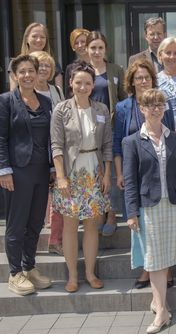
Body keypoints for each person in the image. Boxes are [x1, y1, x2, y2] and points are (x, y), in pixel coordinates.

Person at [123, 88, 176, 333]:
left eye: (159, 104)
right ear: (141, 109)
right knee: (153, 259)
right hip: (148, 207)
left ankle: (158, 303)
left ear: (165, 108)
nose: (155, 109)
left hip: (171, 206)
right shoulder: (131, 141)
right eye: (150, 105)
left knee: (161, 260)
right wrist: (131, 213)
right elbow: (130, 181)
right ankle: (162, 311)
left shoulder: (174, 138)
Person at [51, 60, 112, 293]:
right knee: (69, 225)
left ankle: (89, 273)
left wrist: (107, 174)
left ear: (93, 84)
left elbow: (107, 145)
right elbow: (56, 145)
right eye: (78, 82)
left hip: (94, 173)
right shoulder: (61, 110)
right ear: (70, 83)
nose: (83, 87)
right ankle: (73, 276)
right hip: (71, 173)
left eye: (87, 83)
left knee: (91, 226)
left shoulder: (101, 110)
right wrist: (61, 177)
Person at [114, 59, 174, 290]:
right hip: (134, 174)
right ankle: (147, 267)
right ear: (131, 81)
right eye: (138, 77)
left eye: (146, 77)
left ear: (152, 79)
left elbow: (170, 136)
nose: (142, 81)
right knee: (142, 224)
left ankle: (163, 270)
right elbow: (118, 144)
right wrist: (120, 173)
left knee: (163, 223)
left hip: (158, 171)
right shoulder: (122, 108)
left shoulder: (161, 103)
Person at [0, 54, 53, 295]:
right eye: (22, 71)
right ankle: (15, 273)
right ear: (14, 75)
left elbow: (52, 138)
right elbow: (1, 139)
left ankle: (29, 267)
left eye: (31, 70)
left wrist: (53, 168)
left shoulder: (45, 101)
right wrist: (4, 169)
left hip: (42, 172)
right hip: (18, 172)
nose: (27, 75)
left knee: (35, 223)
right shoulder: (6, 101)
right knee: (16, 224)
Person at [86, 31, 127, 236]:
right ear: (87, 49)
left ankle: (111, 214)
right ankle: (98, 213)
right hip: (87, 130)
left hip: (110, 128)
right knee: (94, 172)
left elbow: (123, 99)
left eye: (100, 47)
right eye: (93, 47)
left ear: (105, 49)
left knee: (109, 173)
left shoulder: (115, 69)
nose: (96, 51)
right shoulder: (81, 70)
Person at [31, 50, 65, 256]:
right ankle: (32, 241)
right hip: (33, 152)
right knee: (36, 199)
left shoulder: (57, 91)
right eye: (39, 65)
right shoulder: (25, 91)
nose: (43, 69)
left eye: (47, 65)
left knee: (58, 197)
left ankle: (55, 240)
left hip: (54, 149)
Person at [8, 22, 63, 90]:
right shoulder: (16, 63)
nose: (38, 40)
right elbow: (13, 93)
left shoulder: (53, 63)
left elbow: (59, 94)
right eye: (34, 36)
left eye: (42, 37)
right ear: (27, 38)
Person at [65, 28, 91, 97]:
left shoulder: (99, 64)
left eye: (83, 42)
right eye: (76, 43)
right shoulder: (70, 68)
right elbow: (68, 94)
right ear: (73, 47)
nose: (80, 45)